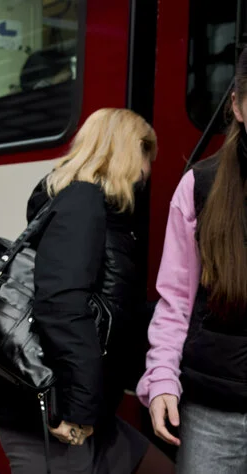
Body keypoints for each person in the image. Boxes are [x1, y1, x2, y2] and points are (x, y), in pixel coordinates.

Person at [0, 108, 173, 473]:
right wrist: (78, 410)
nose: (148, 171)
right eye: (146, 157)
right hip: (58, 409)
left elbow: (106, 306)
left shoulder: (100, 210)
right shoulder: (83, 203)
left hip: (86, 405)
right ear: (127, 150)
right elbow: (61, 306)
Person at [137, 48, 247, 474]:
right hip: (211, 413)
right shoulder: (198, 185)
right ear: (236, 105)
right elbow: (175, 302)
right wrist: (162, 377)